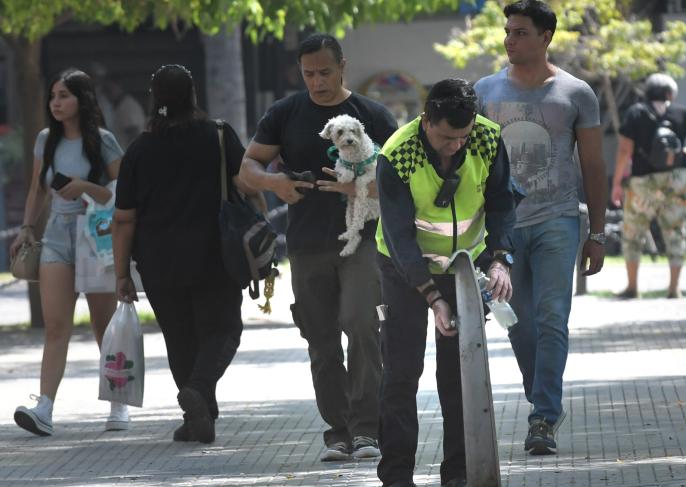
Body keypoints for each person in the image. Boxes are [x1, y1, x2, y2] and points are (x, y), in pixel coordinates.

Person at [238, 33, 398, 461]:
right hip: (307, 243)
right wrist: (274, 182)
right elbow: (247, 168)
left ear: (342, 66)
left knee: (361, 324)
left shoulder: (374, 116)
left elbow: (402, 183)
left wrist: (358, 189)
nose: (317, 82)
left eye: (325, 72)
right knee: (322, 339)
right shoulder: (286, 113)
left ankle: (367, 429)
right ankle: (338, 432)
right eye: (309, 74)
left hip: (363, 240)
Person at [474, 0, 607, 456]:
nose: (510, 39)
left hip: (558, 221)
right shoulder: (485, 91)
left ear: (545, 36)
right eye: (508, 31)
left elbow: (593, 164)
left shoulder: (576, 93)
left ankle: (543, 416)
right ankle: (542, 398)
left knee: (553, 318)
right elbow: (472, 162)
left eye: (520, 32)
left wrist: (599, 233)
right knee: (518, 323)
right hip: (504, 228)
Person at [375, 78, 516, 487]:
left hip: (463, 267)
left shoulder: (488, 140)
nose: (455, 146)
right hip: (404, 268)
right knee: (401, 372)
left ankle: (458, 476)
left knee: (459, 374)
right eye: (446, 138)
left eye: (462, 136)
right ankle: (396, 480)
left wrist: (499, 258)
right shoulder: (397, 155)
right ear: (426, 121)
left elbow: (502, 203)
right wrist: (431, 297)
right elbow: (399, 238)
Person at [111, 64, 260, 443]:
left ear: (154, 99)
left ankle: (198, 415)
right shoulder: (218, 136)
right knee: (224, 329)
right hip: (215, 255)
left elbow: (124, 219)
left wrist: (121, 273)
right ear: (193, 94)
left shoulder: (139, 151)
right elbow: (247, 183)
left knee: (180, 338)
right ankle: (197, 394)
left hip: (158, 262)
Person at [9, 69, 126, 436]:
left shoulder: (103, 141)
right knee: (56, 325)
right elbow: (37, 190)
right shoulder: (46, 139)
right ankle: (44, 407)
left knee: (103, 326)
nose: (55, 103)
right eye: (52, 97)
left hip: (96, 237)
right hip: (57, 236)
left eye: (63, 96)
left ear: (82, 99)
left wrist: (85, 186)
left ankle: (117, 402)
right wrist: (28, 227)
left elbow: (121, 190)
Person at [608, 73, 686, 299]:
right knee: (676, 231)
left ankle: (632, 287)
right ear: (670, 93)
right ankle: (674, 288)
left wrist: (617, 182)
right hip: (676, 179)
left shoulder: (635, 113)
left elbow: (624, 151)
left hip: (642, 182)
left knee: (633, 232)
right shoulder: (681, 112)